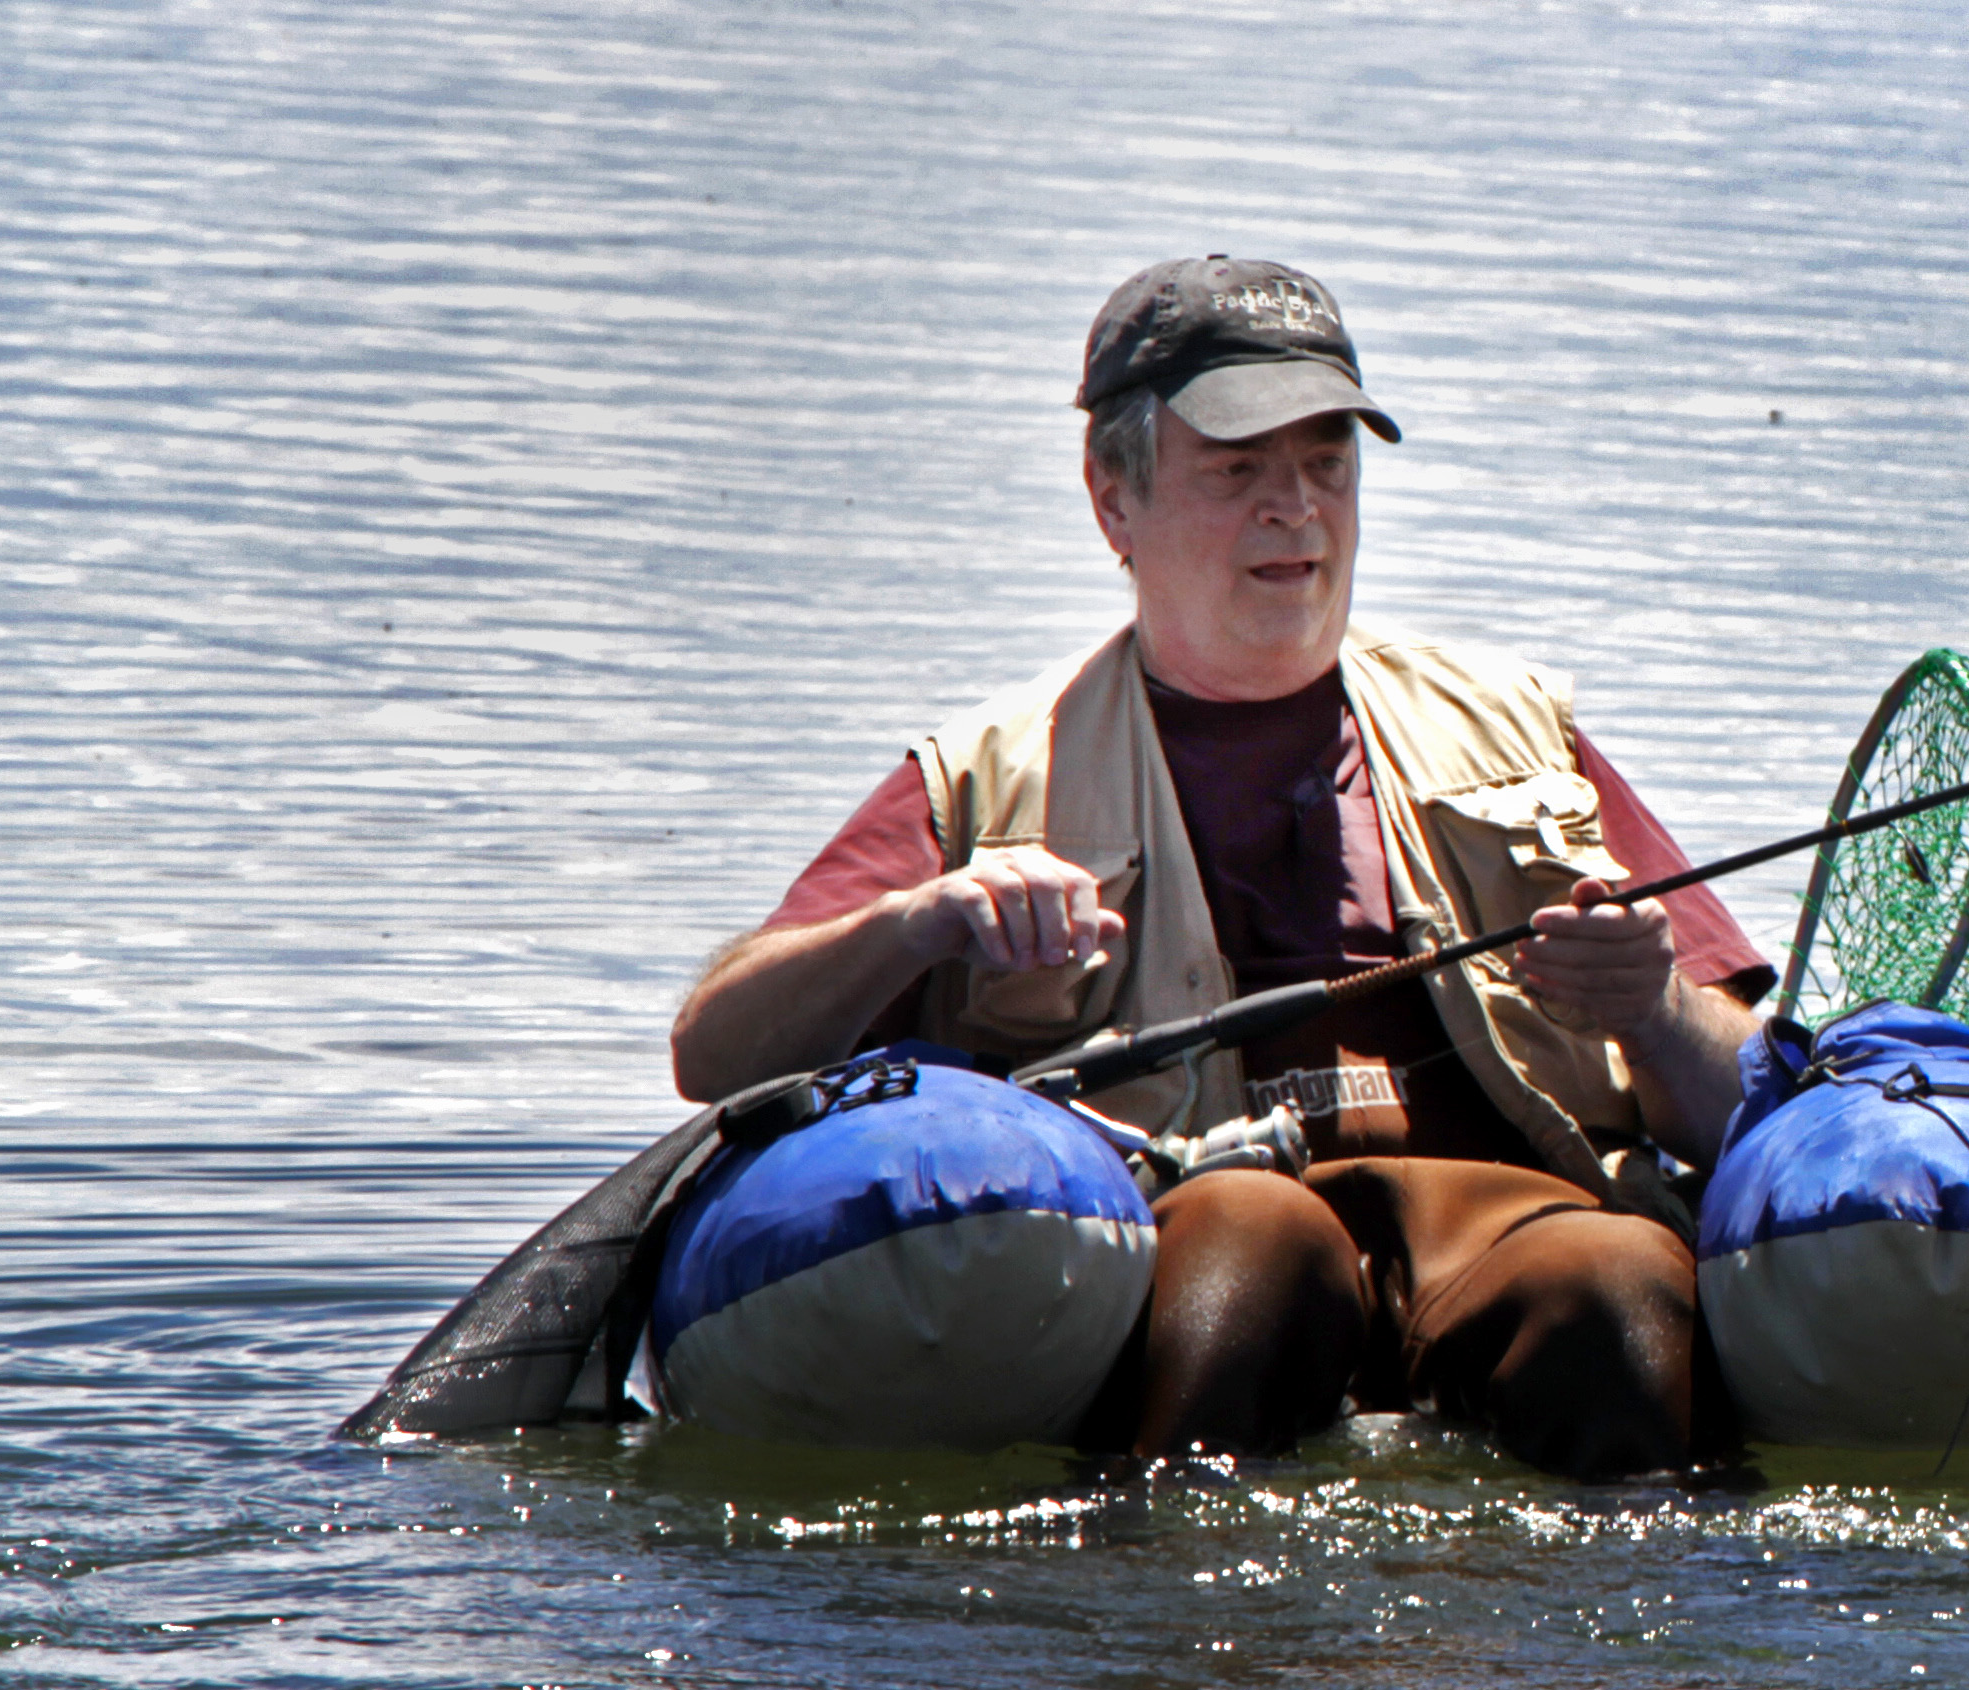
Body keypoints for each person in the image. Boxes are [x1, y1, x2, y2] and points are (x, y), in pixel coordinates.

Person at [669, 257, 1767, 1476]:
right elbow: (715, 1054)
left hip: (1508, 1221)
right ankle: (1164, 1570)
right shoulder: (986, 772)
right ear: (1113, 501)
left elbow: (1745, 1104)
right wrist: (922, 923)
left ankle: (1629, 1584)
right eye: (1238, 470)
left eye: (1327, 464)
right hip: (1197, 1218)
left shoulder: (1518, 726)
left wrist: (1656, 1009)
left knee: (1614, 1277)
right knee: (1254, 1251)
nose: (1295, 509)